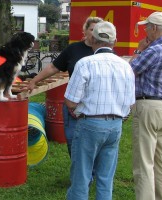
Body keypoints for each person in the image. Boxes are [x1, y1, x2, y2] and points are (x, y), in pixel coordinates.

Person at [64, 21, 135, 200]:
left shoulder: (85, 63)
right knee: (105, 178)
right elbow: (130, 104)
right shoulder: (126, 66)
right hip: (115, 124)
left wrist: (79, 111)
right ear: (115, 41)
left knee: (81, 176)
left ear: (92, 39)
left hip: (89, 122)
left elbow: (70, 101)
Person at [27, 17, 103, 157]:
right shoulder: (74, 49)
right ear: (85, 31)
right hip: (73, 105)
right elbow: (53, 67)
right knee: (73, 142)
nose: (94, 33)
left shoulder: (103, 52)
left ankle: (89, 173)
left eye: (98, 30)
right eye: (91, 29)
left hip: (95, 105)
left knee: (93, 143)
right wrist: (34, 81)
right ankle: (79, 172)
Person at [129, 12, 162, 200]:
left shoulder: (154, 51)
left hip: (149, 106)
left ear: (154, 28)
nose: (145, 30)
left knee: (144, 161)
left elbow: (130, 71)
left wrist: (139, 50)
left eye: (147, 27)